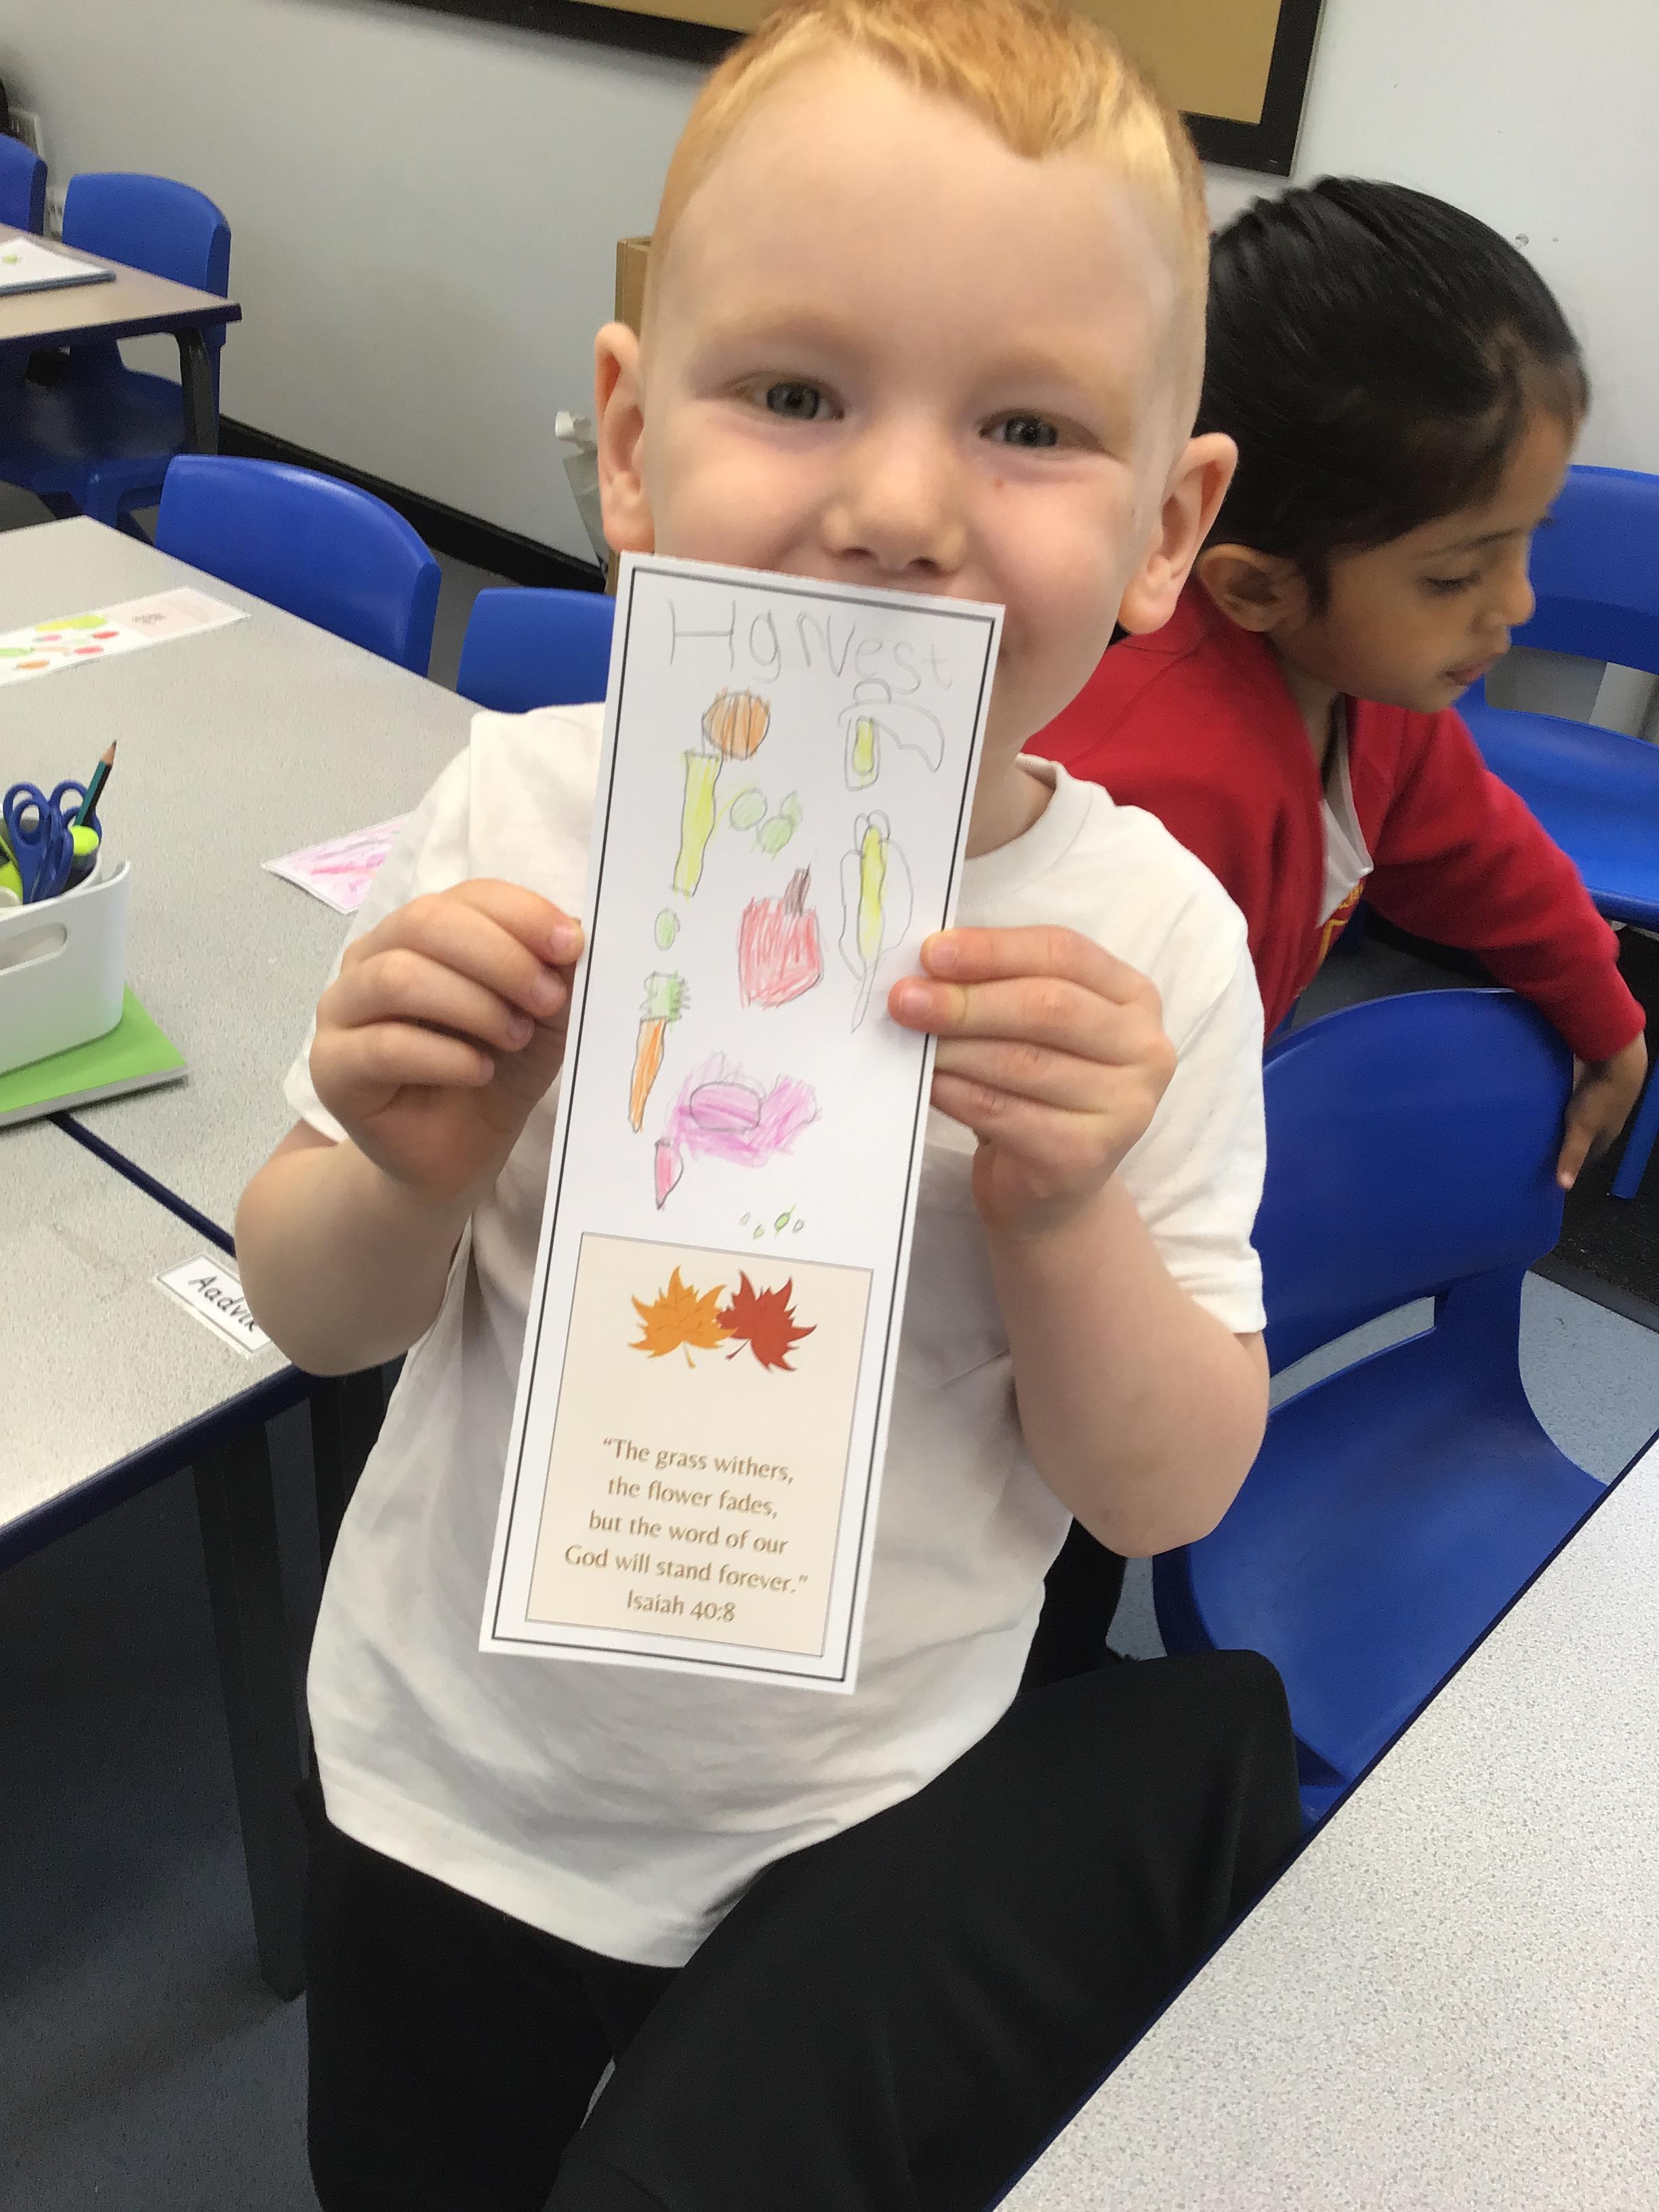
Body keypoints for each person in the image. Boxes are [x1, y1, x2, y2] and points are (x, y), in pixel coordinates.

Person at [236, 5, 1301, 2205]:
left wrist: (1062, 1212)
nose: (896, 508)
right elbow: (317, 1313)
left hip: (866, 1821)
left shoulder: (1148, 946)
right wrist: (408, 1168)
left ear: (1165, 525)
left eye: (1026, 426)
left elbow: (1164, 1488)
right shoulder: (522, 809)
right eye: (797, 392)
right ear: (631, 443)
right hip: (449, 1782)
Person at [1029, 177, 1647, 1192]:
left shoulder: (1372, 695)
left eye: (1524, 541)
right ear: (1257, 588)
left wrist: (1609, 1020)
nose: (1519, 603)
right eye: (1455, 576)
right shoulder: (1147, 802)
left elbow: (1479, 854)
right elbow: (1041, 1135)